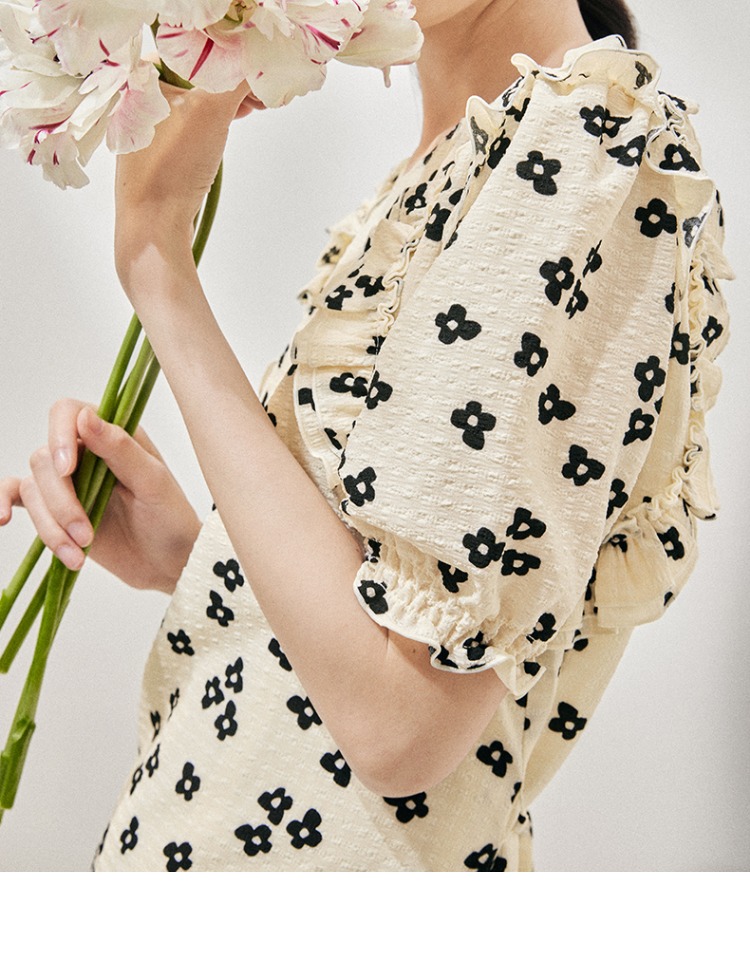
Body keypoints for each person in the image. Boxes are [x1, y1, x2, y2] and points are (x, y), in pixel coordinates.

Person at [0, 0, 732, 871]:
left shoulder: (593, 147)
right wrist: (203, 559)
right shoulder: (455, 157)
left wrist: (156, 263)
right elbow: (375, 646)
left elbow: (404, 726)